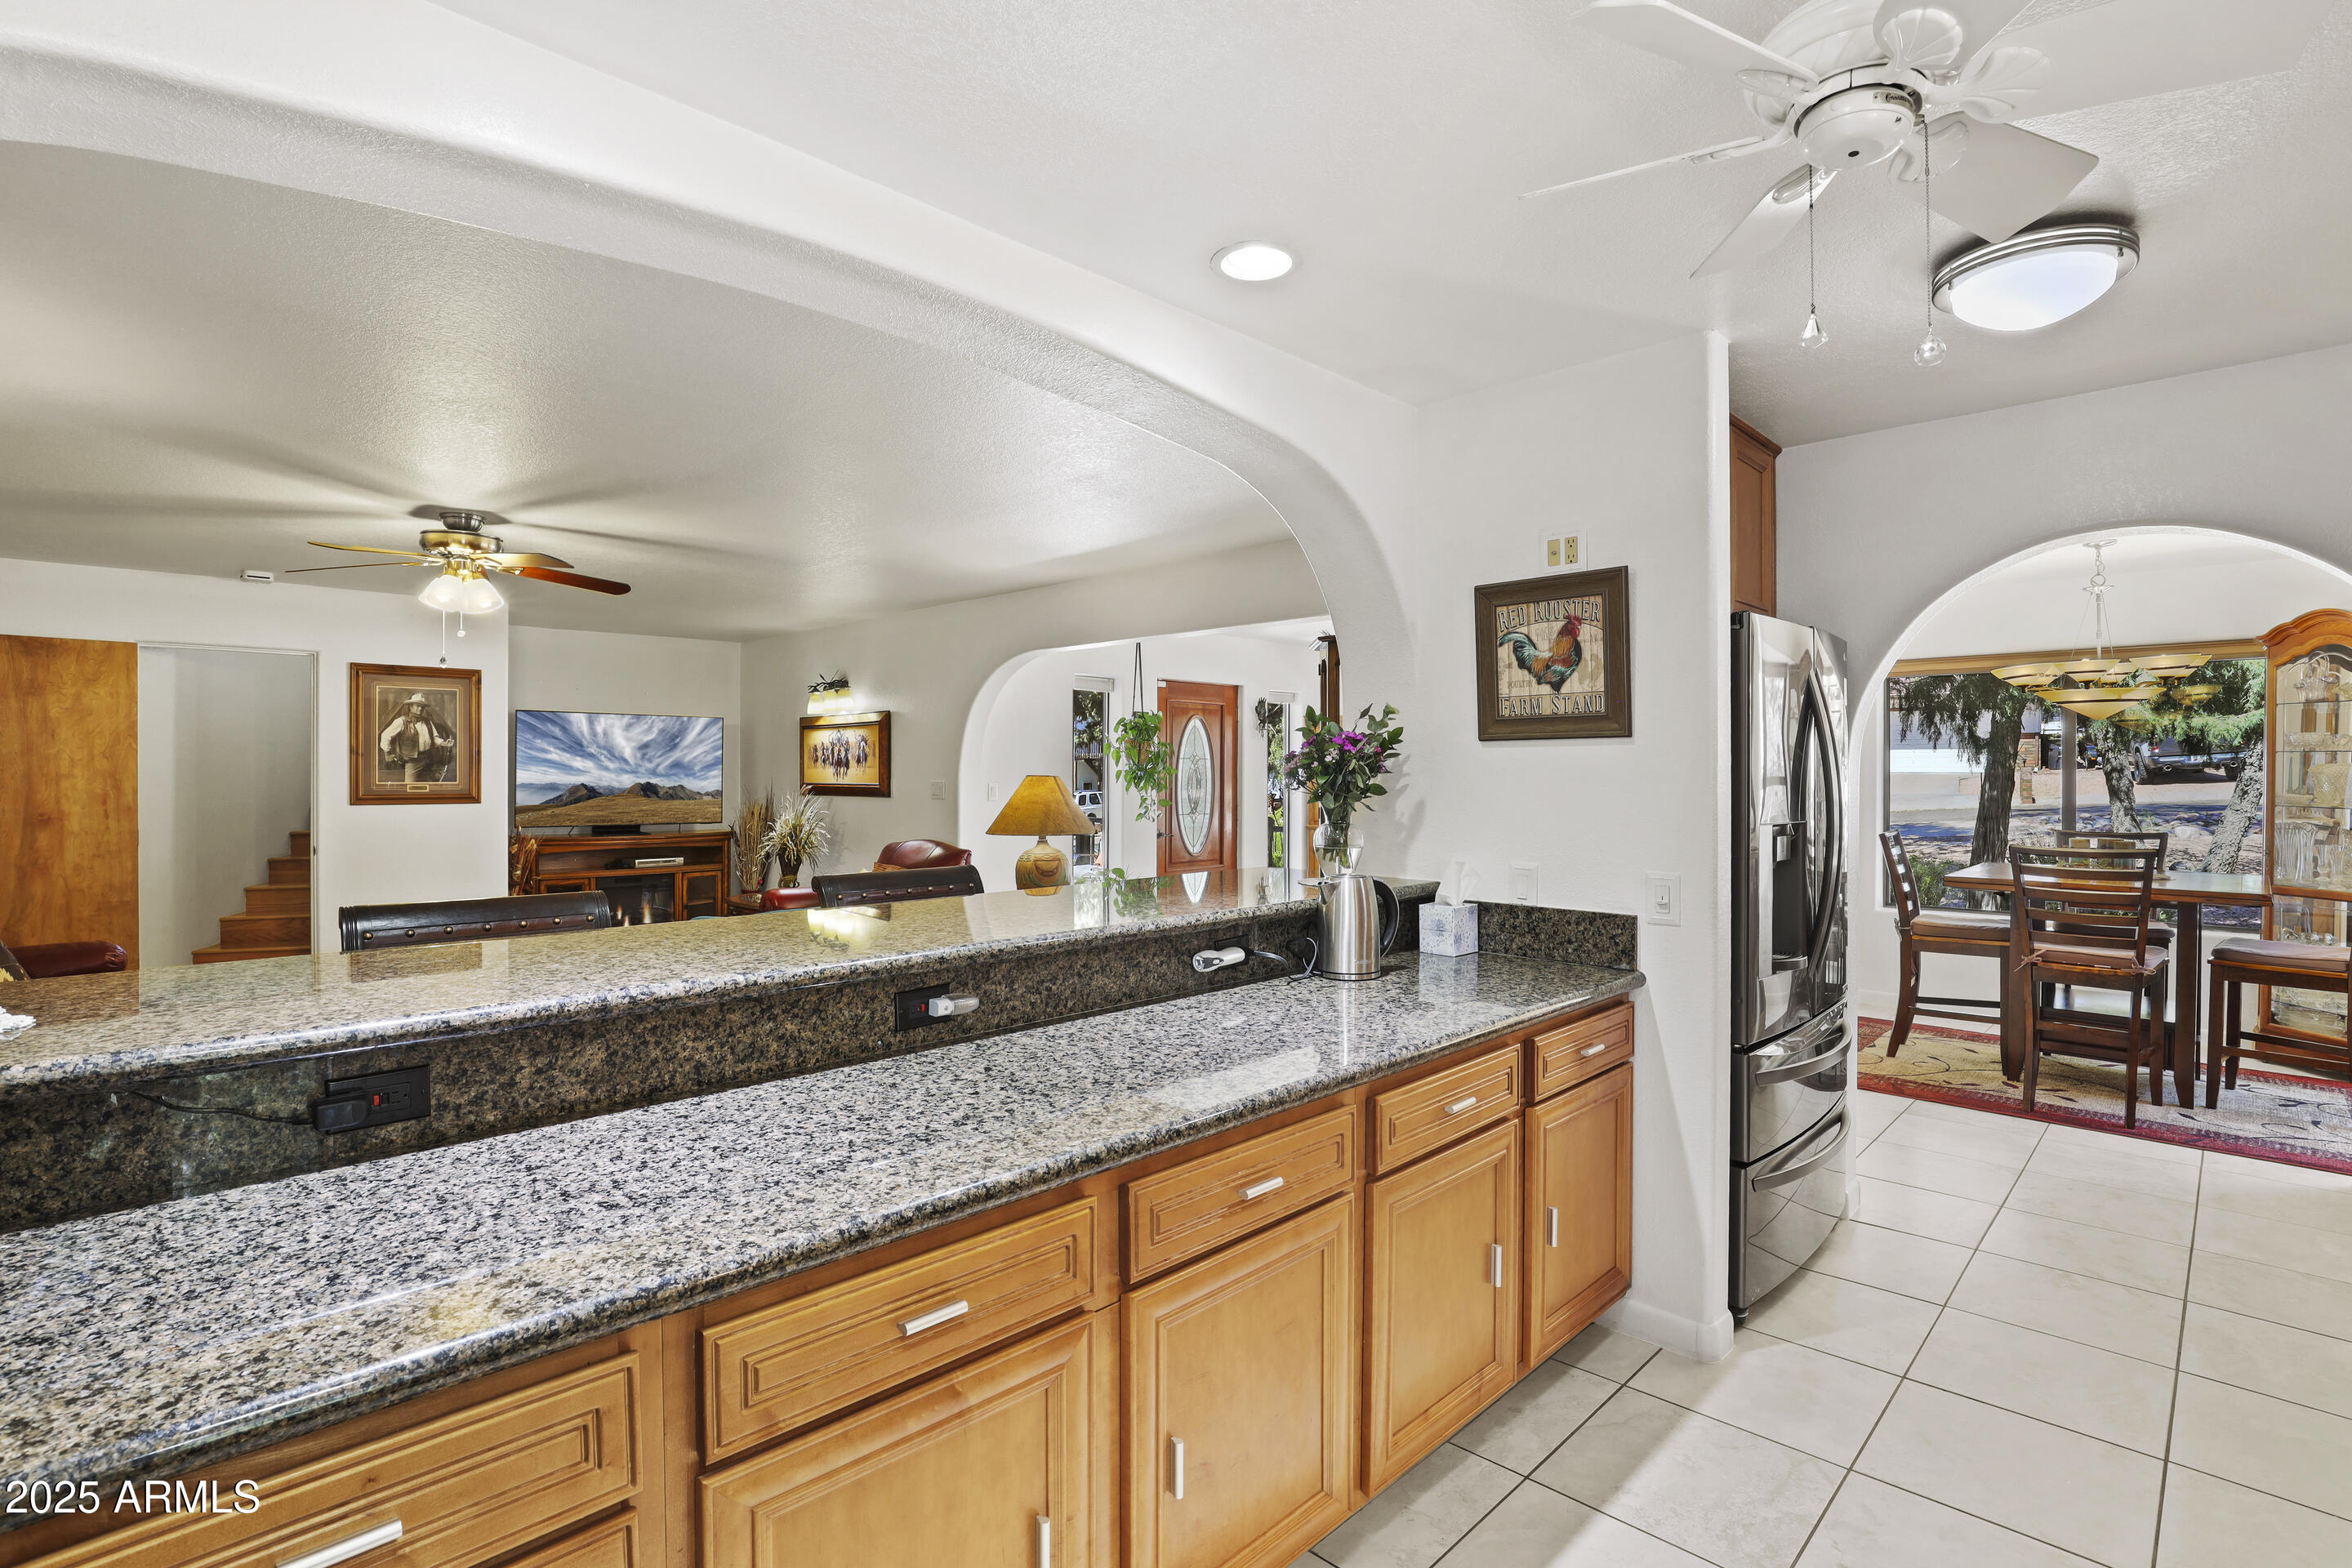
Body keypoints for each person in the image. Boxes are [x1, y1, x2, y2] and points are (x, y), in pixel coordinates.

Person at [380, 693, 456, 786]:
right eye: (418, 706)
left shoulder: (428, 722)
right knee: (410, 787)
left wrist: (444, 743)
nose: (420, 709)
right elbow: (385, 736)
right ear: (410, 707)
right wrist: (387, 753)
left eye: (422, 707)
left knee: (426, 786)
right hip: (412, 762)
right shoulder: (401, 721)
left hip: (428, 760)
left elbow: (434, 738)